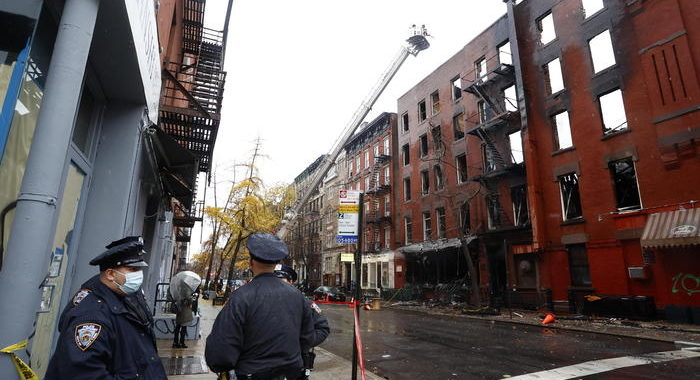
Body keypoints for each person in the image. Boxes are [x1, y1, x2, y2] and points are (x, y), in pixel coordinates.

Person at [45, 236, 167, 380]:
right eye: (132, 269)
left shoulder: (125, 296)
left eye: (139, 269)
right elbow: (85, 373)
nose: (138, 274)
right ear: (110, 274)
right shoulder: (92, 316)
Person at [205, 233, 315, 379]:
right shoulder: (297, 296)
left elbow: (221, 350)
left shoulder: (241, 297)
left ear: (251, 262)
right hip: (290, 374)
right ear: (276, 263)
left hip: (251, 373)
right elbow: (307, 338)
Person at [274, 264, 330, 380]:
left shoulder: (304, 303)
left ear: (291, 282)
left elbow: (322, 328)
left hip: (297, 363)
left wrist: (306, 341)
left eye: (281, 281)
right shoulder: (262, 302)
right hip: (268, 366)